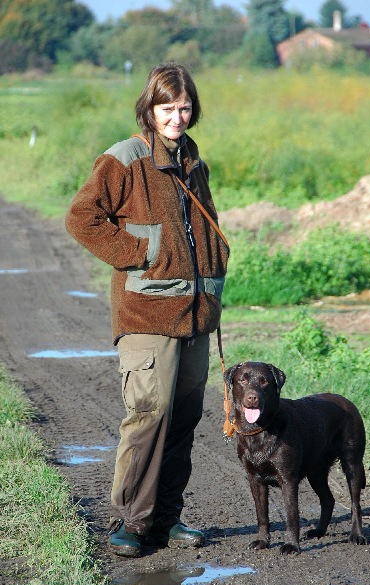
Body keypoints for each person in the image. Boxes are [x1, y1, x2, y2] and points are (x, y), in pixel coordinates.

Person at [65, 62, 229, 558]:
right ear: (150, 109)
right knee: (148, 414)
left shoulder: (192, 160)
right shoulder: (125, 158)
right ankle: (130, 523)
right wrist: (142, 253)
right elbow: (81, 219)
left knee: (182, 418)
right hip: (146, 314)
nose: (176, 117)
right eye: (166, 108)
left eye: (183, 108)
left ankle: (166, 518)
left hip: (195, 315)